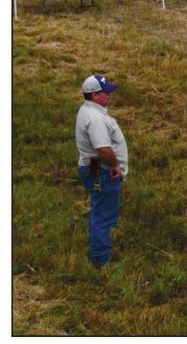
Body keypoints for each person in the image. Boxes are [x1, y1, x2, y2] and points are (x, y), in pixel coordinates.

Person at [75, 74, 128, 266]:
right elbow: (103, 149)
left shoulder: (88, 111)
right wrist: (115, 165)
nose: (110, 95)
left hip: (97, 169)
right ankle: (100, 260)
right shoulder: (95, 118)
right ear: (96, 95)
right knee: (103, 215)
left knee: (101, 211)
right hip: (103, 172)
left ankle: (100, 252)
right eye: (106, 92)